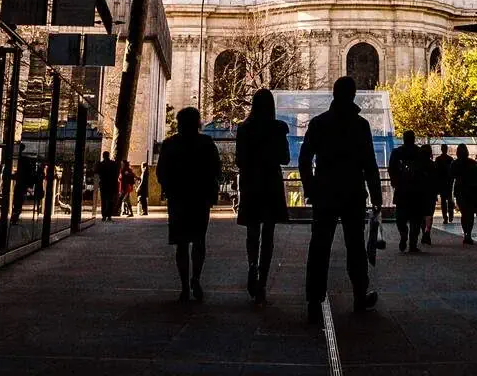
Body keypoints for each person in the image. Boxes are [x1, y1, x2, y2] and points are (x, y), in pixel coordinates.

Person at [298, 76, 382, 325]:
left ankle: (314, 301)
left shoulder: (319, 123)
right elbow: (370, 165)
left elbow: (304, 159)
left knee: (319, 247)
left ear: (334, 94)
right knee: (355, 246)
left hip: (325, 193)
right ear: (353, 95)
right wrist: (376, 196)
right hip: (353, 193)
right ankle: (358, 296)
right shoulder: (361, 125)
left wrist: (311, 188)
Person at [156, 107, 221, 302]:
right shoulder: (206, 143)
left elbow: (161, 172)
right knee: (199, 241)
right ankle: (196, 278)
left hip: (179, 199)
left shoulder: (169, 144)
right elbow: (216, 170)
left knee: (181, 244)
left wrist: (170, 188)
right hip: (200, 199)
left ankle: (184, 285)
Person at [234, 89, 290, 301]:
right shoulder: (278, 128)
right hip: (271, 183)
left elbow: (239, 160)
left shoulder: (244, 129)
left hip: (251, 183)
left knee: (252, 231)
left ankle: (252, 266)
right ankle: (263, 281)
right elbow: (285, 158)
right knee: (268, 234)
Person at [388, 130, 426, 253]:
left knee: (401, 216)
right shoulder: (420, 152)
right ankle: (413, 243)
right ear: (414, 139)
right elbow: (425, 171)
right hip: (417, 191)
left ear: (403, 139)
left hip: (402, 190)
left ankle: (403, 232)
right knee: (416, 217)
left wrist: (395, 183)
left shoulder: (396, 152)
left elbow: (391, 169)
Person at [452, 143, 477, 244]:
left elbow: (451, 176)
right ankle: (469, 234)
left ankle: (465, 234)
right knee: (471, 213)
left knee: (464, 213)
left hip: (460, 190)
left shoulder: (455, 164)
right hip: (472, 190)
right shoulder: (472, 163)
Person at [11, 146, 41, 224]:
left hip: (20, 187)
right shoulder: (25, 170)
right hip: (21, 188)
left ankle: (14, 218)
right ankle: (14, 218)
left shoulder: (22, 170)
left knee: (17, 204)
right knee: (18, 204)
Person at [434, 143, 456, 225]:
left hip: (441, 182)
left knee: (443, 201)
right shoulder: (450, 159)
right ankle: (451, 215)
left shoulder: (438, 159)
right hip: (449, 182)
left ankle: (445, 217)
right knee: (450, 199)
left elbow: (436, 171)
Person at [96, 151, 121, 221]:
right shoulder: (113, 164)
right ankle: (109, 215)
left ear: (103, 156)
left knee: (103, 201)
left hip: (103, 185)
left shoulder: (101, 164)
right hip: (111, 185)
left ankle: (104, 215)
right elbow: (116, 174)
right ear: (108, 156)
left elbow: (97, 173)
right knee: (110, 201)